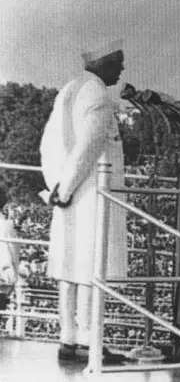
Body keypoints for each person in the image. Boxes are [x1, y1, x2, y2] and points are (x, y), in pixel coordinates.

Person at [39, 40, 128, 364]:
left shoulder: (69, 88)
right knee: (91, 269)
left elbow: (47, 145)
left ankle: (69, 339)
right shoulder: (99, 96)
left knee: (69, 269)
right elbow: (88, 148)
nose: (122, 68)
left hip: (67, 194)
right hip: (90, 195)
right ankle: (91, 344)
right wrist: (67, 189)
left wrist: (56, 187)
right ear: (103, 61)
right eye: (118, 61)